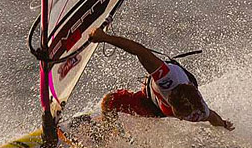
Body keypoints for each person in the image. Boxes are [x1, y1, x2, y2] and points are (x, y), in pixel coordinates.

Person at [88, 27, 234, 130]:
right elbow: (140, 51)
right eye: (181, 116)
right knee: (110, 102)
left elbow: (212, 117)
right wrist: (105, 38)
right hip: (153, 97)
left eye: (183, 117)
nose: (182, 119)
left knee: (111, 102)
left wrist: (224, 125)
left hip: (157, 107)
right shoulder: (166, 78)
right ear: (170, 99)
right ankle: (108, 132)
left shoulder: (197, 112)